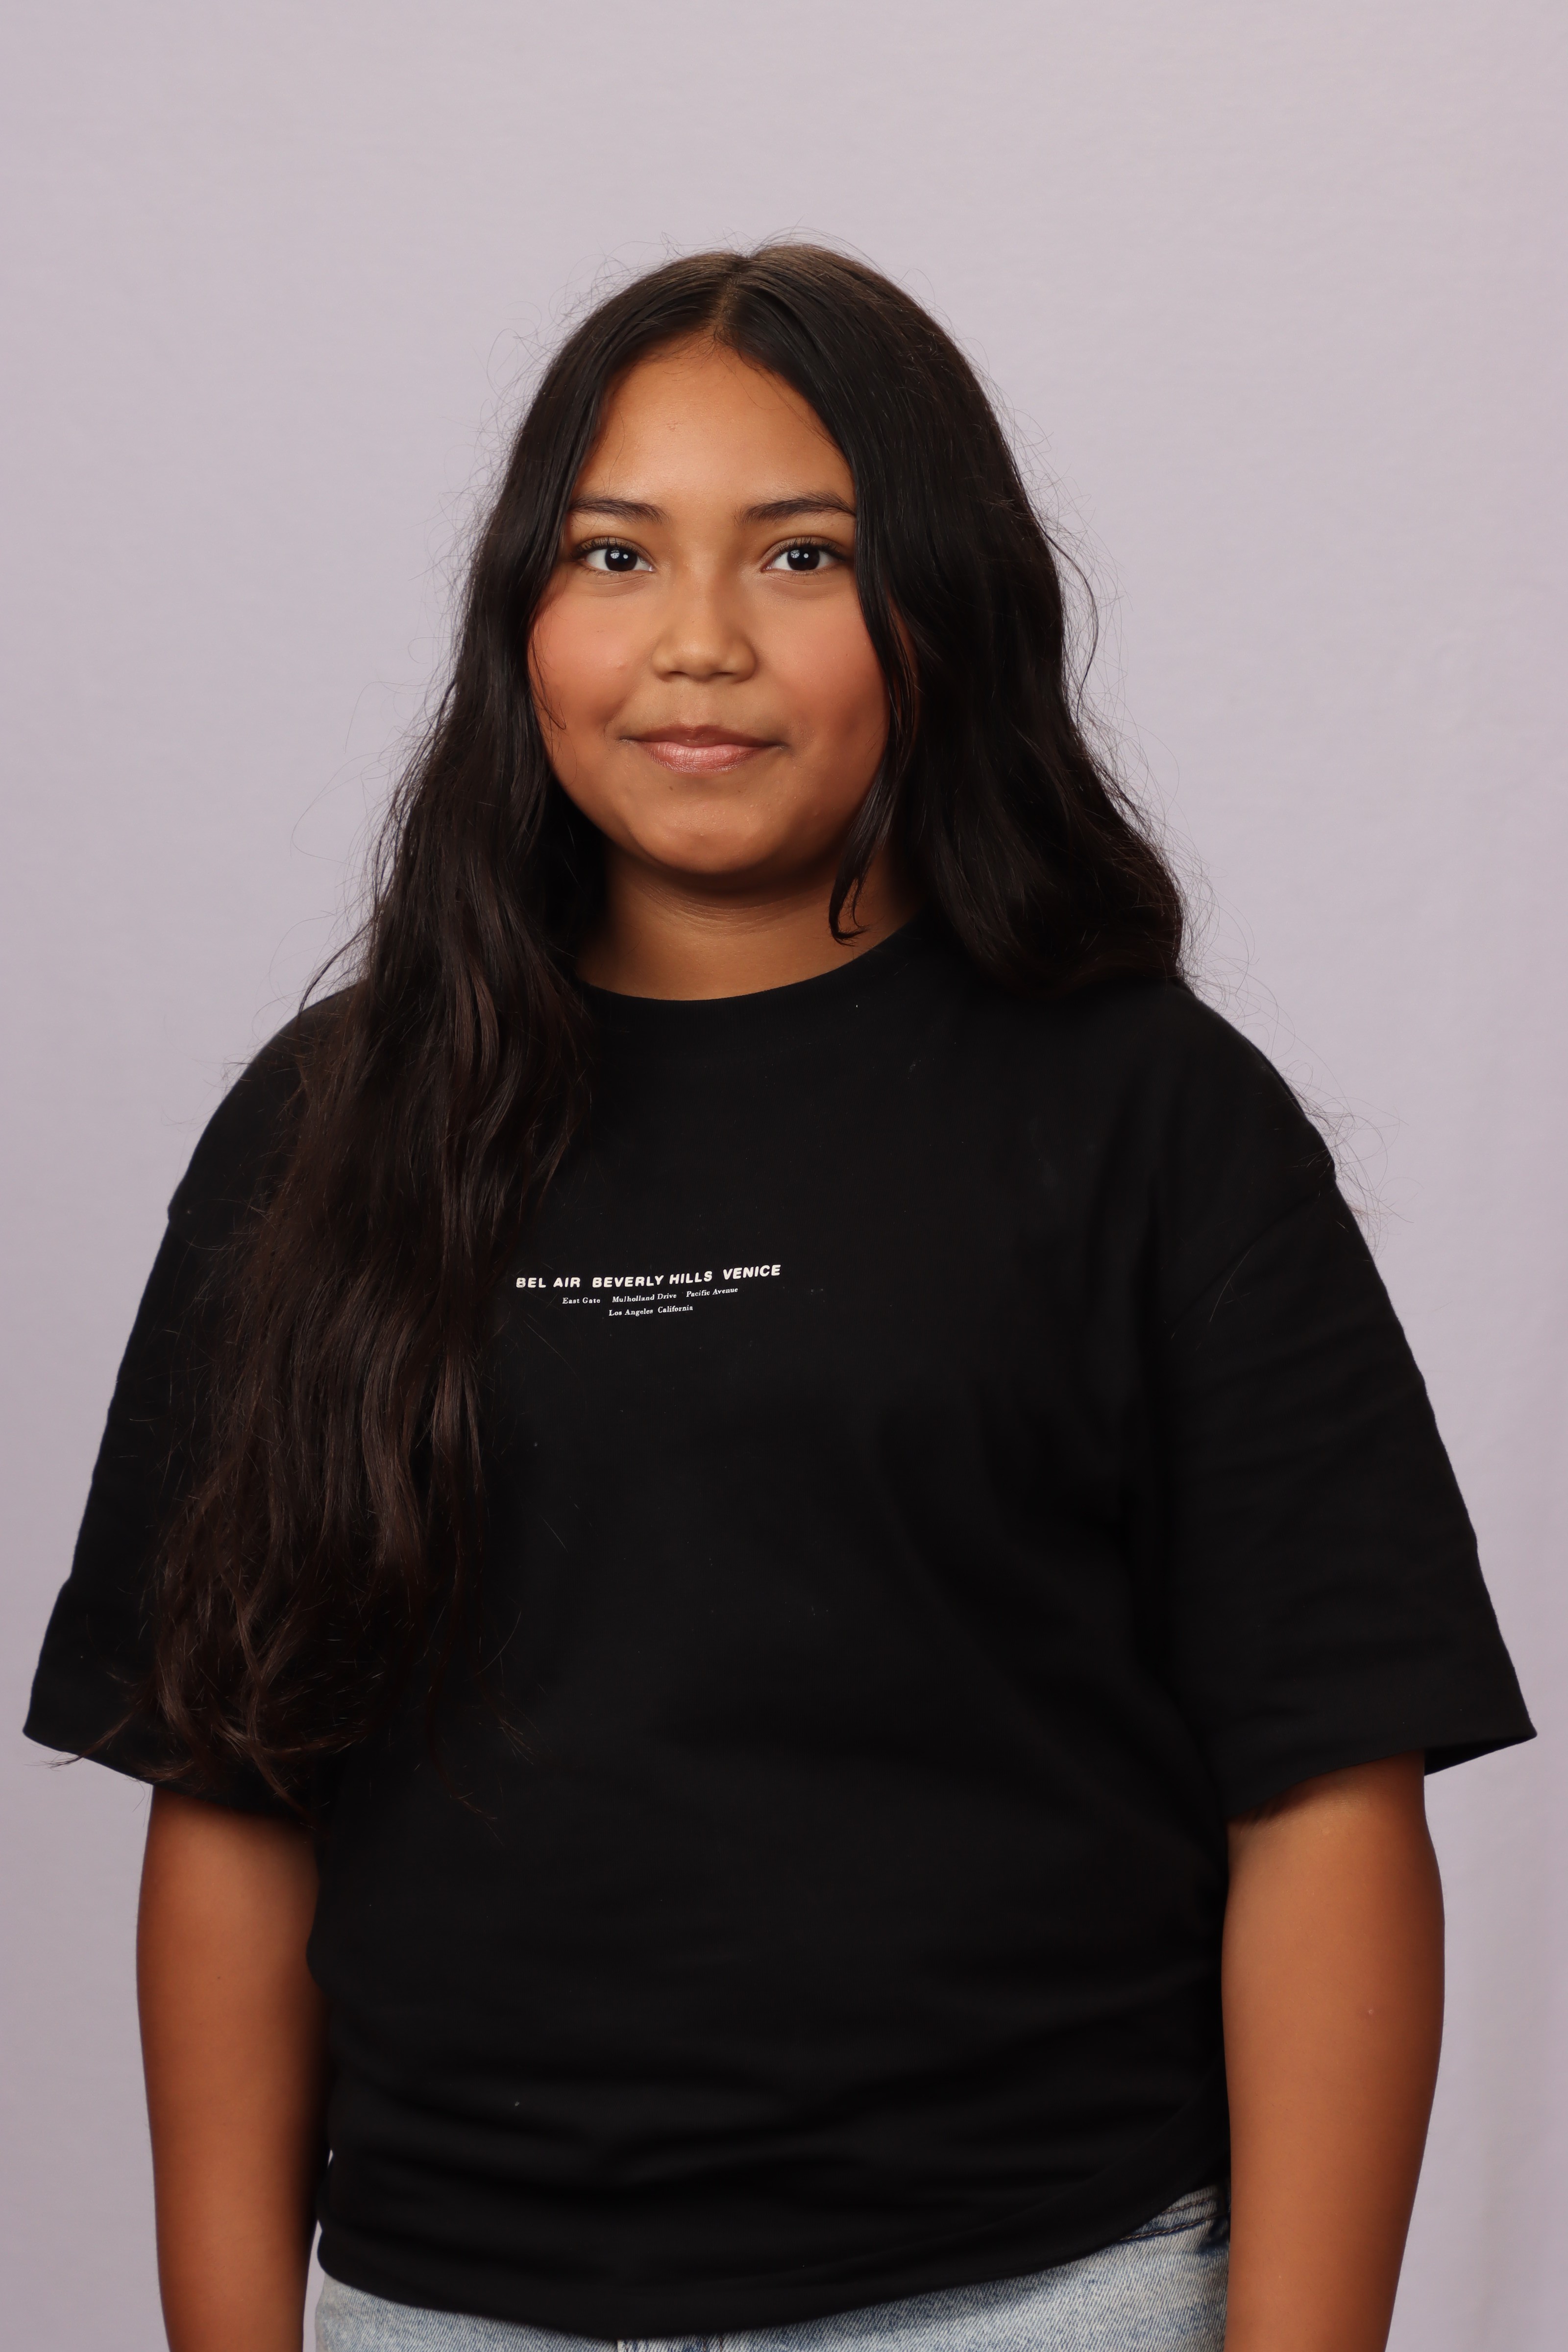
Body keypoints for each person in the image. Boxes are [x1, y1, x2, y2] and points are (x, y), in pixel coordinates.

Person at [26, 245, 1532, 2352]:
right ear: (520, 617)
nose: (699, 642)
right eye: (615, 554)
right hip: (446, 2309)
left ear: (943, 608)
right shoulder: (324, 1134)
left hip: (1037, 2298)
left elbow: (1327, 1802)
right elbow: (233, 1791)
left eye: (803, 555)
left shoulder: (1154, 1120)